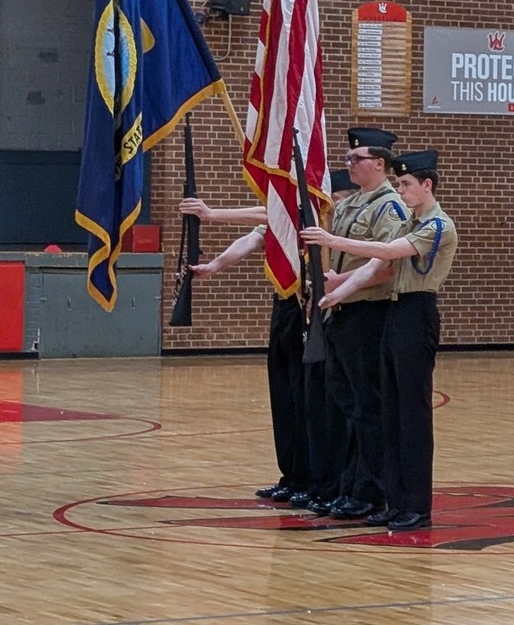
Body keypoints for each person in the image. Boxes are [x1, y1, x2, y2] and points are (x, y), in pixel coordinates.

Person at [302, 149, 457, 532]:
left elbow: (387, 252)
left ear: (427, 185)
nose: (400, 189)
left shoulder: (438, 225)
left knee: (413, 416)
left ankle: (417, 506)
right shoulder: (410, 222)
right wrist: (337, 294)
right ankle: (395, 499)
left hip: (417, 313)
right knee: (390, 414)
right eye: (399, 183)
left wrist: (329, 240)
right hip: (394, 311)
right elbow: (375, 266)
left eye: (405, 184)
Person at [177, 200, 310, 503]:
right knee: (283, 394)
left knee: (303, 398)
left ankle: (310, 477)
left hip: (308, 303)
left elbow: (270, 213)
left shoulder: (311, 205)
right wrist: (214, 266)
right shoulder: (284, 204)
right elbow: (254, 237)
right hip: (284, 301)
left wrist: (211, 214)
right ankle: (291, 475)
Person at [316, 127, 407, 521]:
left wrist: (343, 284)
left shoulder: (389, 207)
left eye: (357, 159)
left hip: (368, 313)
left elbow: (387, 264)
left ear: (380, 164)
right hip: (342, 311)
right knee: (348, 404)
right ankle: (351, 485)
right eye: (348, 158)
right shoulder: (351, 203)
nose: (349, 164)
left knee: (368, 406)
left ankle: (371, 492)